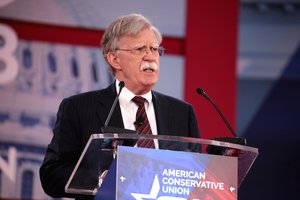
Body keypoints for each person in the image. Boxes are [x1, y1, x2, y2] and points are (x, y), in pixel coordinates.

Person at [40, 13, 200, 199]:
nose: (150, 57)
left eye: (155, 49)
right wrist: (100, 178)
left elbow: (195, 178)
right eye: (140, 49)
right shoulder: (78, 108)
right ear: (114, 60)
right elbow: (51, 175)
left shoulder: (181, 113)